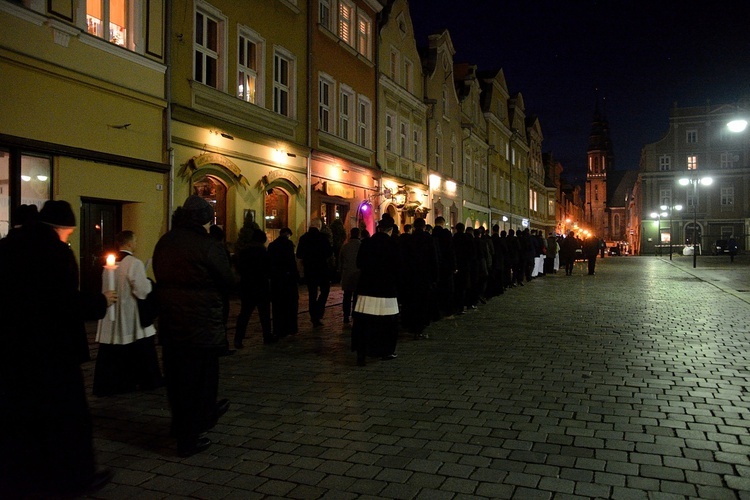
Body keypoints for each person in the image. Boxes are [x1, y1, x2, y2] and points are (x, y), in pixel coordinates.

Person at [0, 200, 116, 497]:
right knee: (68, 416)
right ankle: (77, 476)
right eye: (69, 233)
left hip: (14, 348)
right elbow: (64, 303)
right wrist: (101, 301)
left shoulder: (7, 247)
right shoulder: (54, 252)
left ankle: (28, 472)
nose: (69, 238)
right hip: (52, 349)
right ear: (62, 228)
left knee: (24, 415)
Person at [152, 195, 236, 457]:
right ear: (203, 219)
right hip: (201, 324)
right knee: (200, 381)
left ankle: (181, 426)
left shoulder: (165, 241)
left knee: (177, 381)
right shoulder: (207, 245)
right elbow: (228, 281)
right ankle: (191, 434)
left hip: (171, 322)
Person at [93, 230, 162, 396]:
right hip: (130, 313)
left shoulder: (109, 263)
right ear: (130, 243)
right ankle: (147, 379)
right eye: (136, 241)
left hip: (111, 313)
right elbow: (142, 291)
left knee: (113, 350)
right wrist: (148, 284)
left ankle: (114, 383)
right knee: (141, 345)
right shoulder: (134, 263)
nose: (136, 244)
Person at [352, 215, 402, 366]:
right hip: (386, 290)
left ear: (379, 228)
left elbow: (359, 263)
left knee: (364, 323)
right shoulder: (394, 244)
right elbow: (399, 268)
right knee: (387, 324)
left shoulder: (367, 243)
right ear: (391, 230)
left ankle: (362, 353)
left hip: (367, 289)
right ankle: (385, 350)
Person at [234, 229, 274, 346]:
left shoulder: (244, 252)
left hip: (247, 285)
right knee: (264, 314)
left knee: (244, 313)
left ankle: (238, 338)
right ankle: (267, 336)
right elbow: (269, 269)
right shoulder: (263, 252)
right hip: (261, 285)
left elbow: (239, 268)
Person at [296, 218, 333, 327]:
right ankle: (318, 310)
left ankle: (314, 316)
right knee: (325, 290)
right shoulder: (323, 238)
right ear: (319, 226)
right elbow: (329, 253)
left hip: (309, 270)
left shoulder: (304, 238)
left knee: (312, 294)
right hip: (322, 269)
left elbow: (299, 254)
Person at [268, 227, 299, 338]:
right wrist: (295, 275)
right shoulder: (288, 244)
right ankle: (290, 328)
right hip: (288, 279)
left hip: (276, 279)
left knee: (277, 306)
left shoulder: (272, 245)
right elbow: (291, 262)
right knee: (290, 305)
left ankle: (278, 329)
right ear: (287, 234)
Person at [338, 227, 361, 325]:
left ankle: (346, 315)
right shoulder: (361, 246)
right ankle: (355, 314)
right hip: (358, 274)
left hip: (347, 274)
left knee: (346, 296)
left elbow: (340, 261)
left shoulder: (345, 246)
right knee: (357, 296)